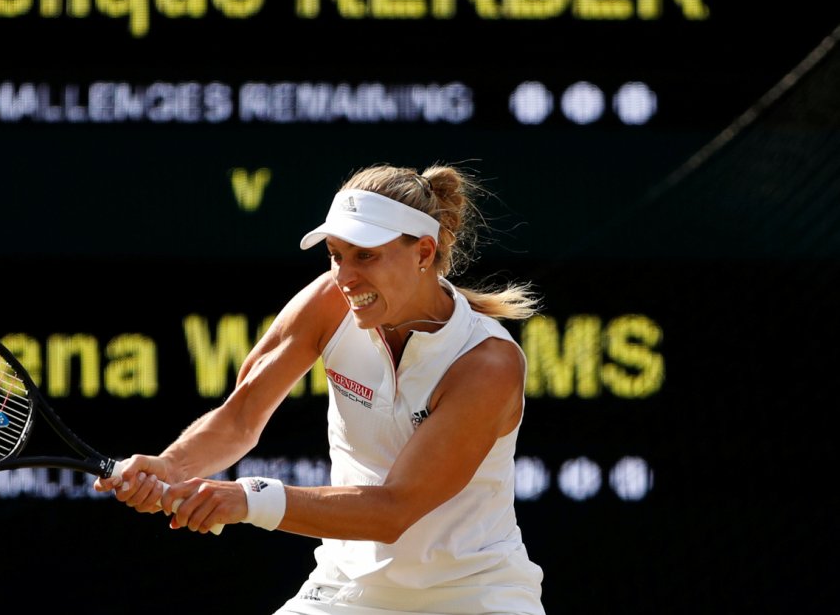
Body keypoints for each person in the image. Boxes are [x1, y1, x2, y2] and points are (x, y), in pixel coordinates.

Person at [94, 162, 546, 614]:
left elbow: (393, 511)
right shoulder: (329, 300)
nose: (345, 276)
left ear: (424, 253)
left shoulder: (487, 364)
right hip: (345, 589)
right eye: (336, 254)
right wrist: (171, 465)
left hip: (476, 596)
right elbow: (240, 417)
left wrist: (249, 498)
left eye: (365, 255)